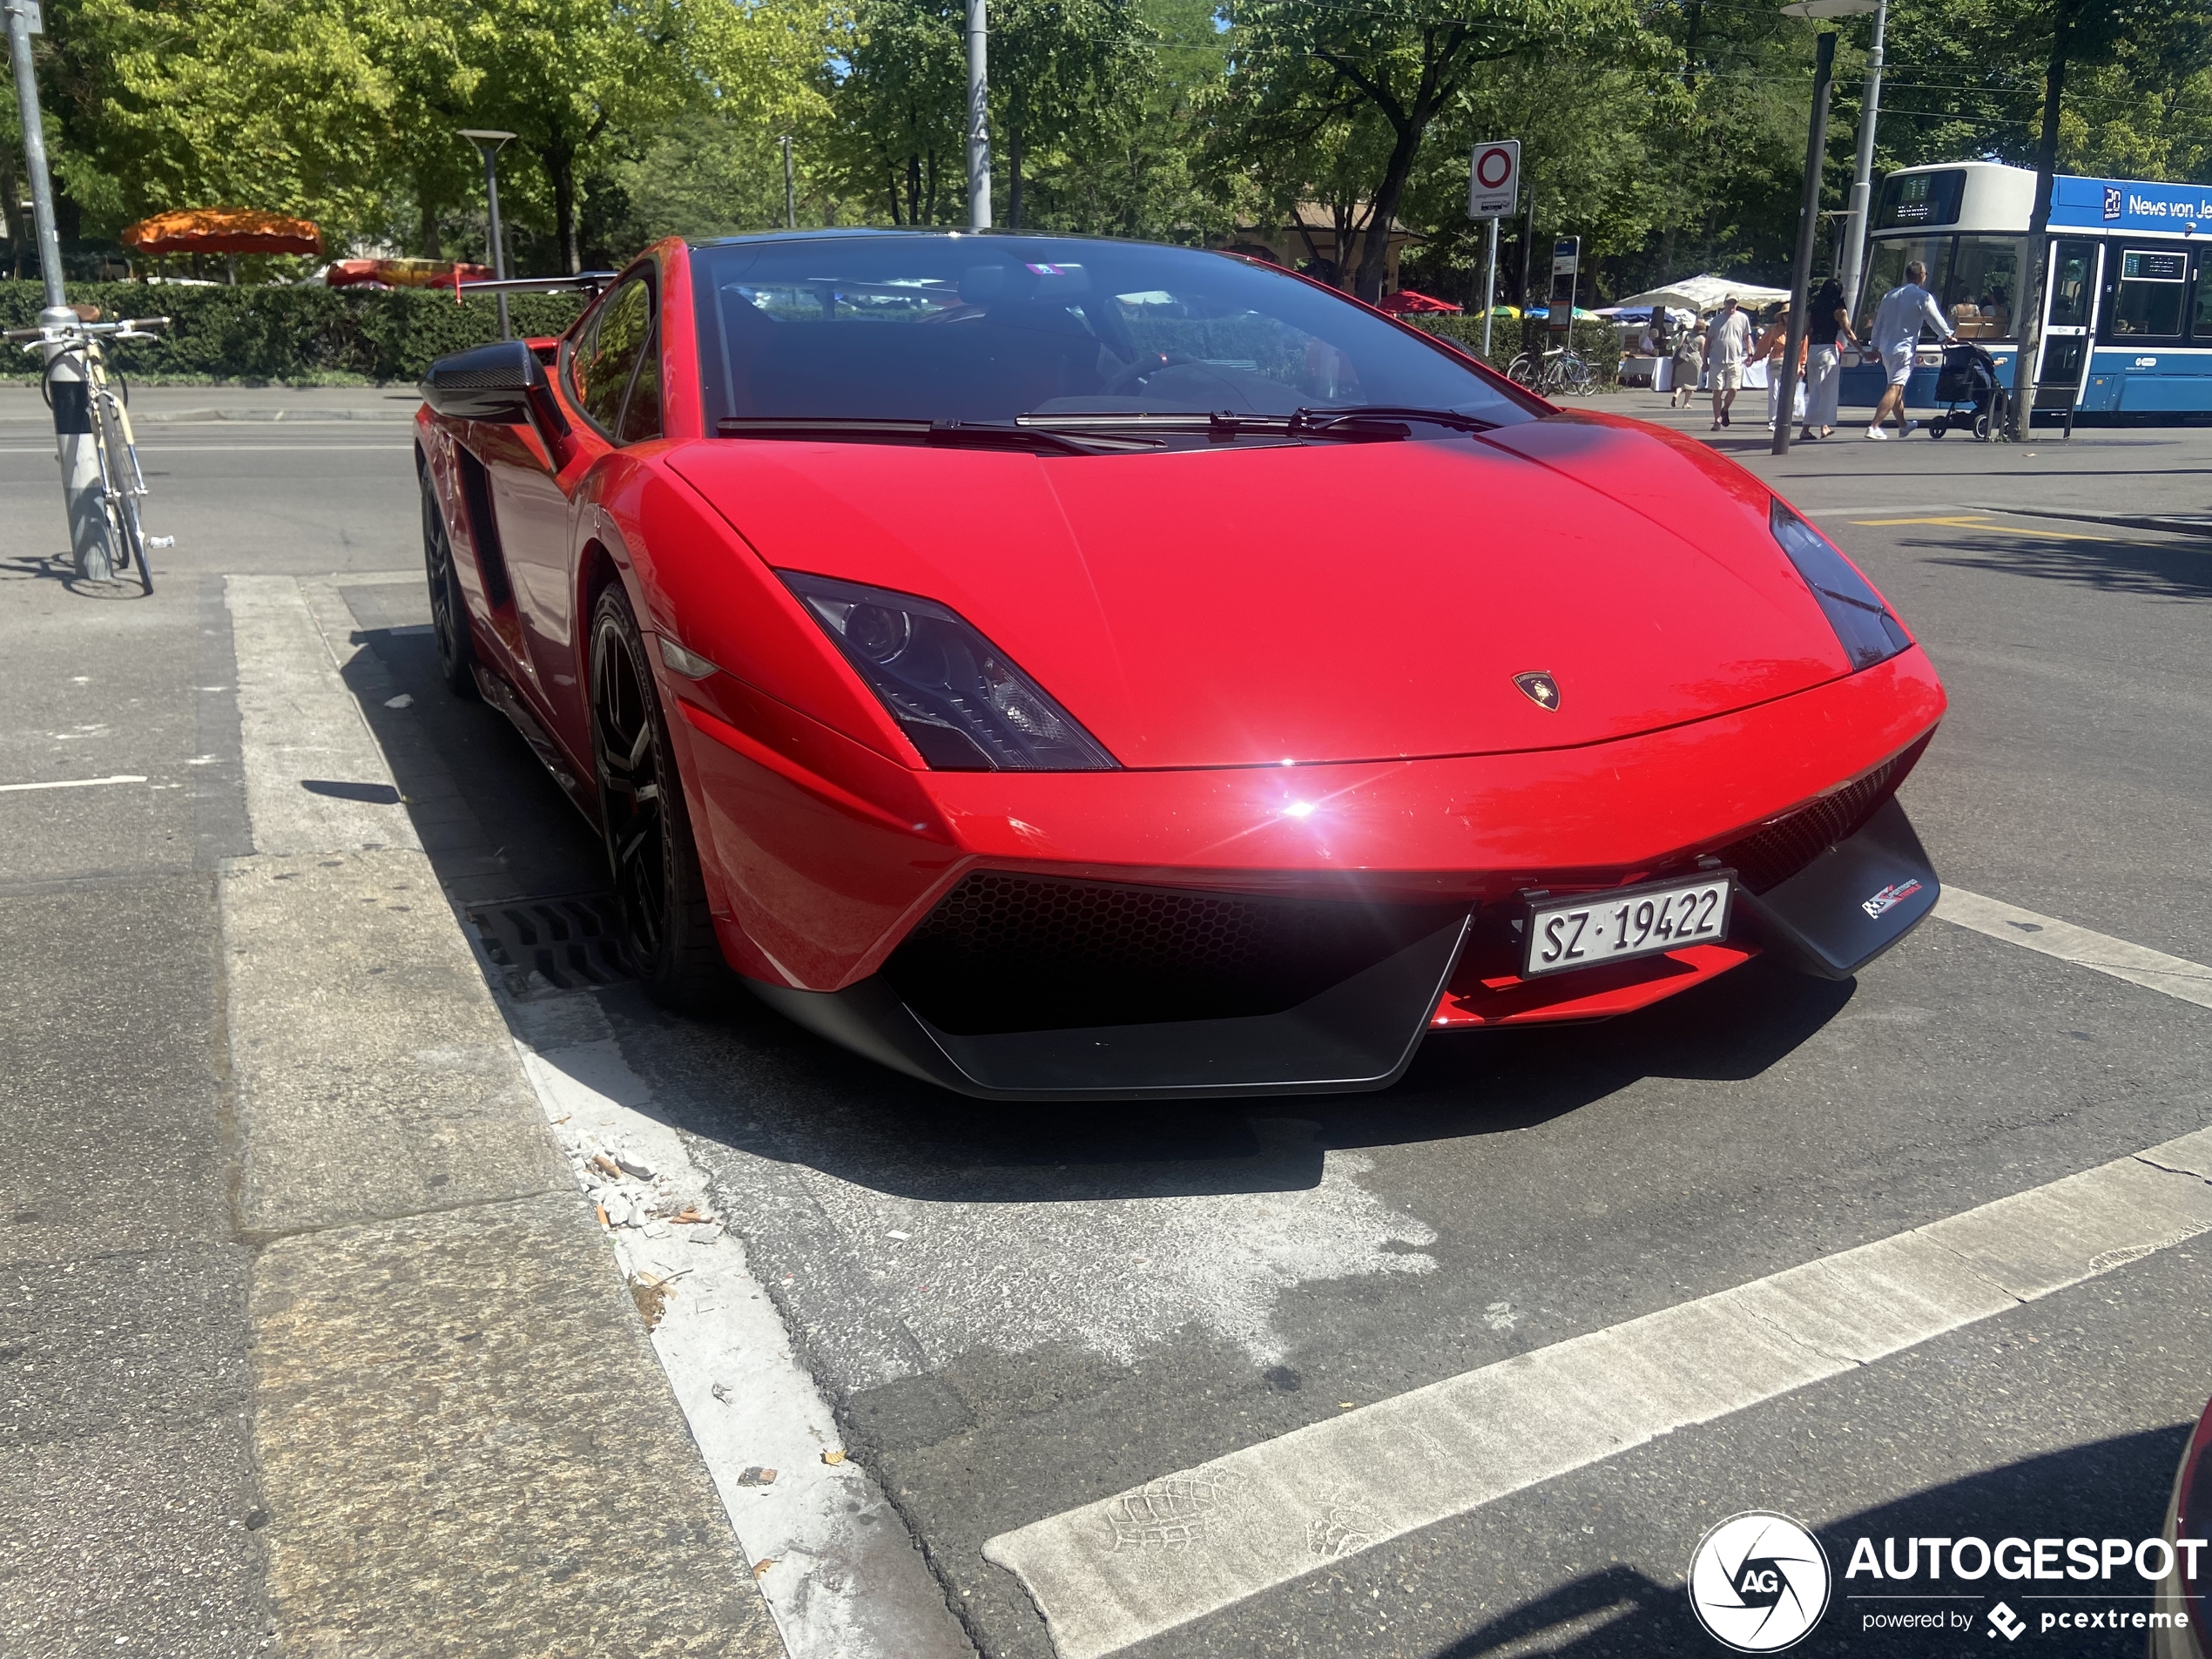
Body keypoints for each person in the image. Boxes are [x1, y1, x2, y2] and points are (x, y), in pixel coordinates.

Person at [1866, 260, 1954, 439]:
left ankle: (1903, 425)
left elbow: (1879, 322)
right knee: (1894, 387)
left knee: (1897, 387)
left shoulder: (1890, 295)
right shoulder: (1922, 297)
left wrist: (1874, 345)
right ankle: (1874, 426)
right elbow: (1934, 318)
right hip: (1904, 349)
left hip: (1886, 348)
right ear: (1921, 276)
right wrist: (1947, 335)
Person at [1804, 276, 1857, 440]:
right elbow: (1847, 331)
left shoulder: (1814, 307)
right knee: (1824, 392)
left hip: (1813, 350)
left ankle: (1823, 426)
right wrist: (1861, 350)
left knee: (1816, 389)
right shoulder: (1839, 309)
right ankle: (1805, 429)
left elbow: (1805, 330)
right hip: (1828, 350)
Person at [1753, 302, 1806, 432]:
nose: (1788, 317)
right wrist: (1754, 358)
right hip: (1776, 363)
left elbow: (1803, 349)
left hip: (1792, 364)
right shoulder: (1775, 330)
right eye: (1785, 315)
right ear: (1782, 317)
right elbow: (1764, 346)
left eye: (1790, 315)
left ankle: (1785, 419)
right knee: (1774, 393)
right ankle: (1773, 420)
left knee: (1789, 393)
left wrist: (1802, 365)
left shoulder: (1799, 330)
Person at [1704, 295, 1752, 429]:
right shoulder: (1716, 320)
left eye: (1734, 303)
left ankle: (1725, 409)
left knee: (1733, 389)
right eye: (1729, 303)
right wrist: (1704, 361)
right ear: (1724, 303)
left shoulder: (1742, 318)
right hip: (1717, 360)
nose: (1732, 305)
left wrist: (1750, 353)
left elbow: (1747, 337)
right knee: (1717, 391)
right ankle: (1717, 420)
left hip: (1735, 359)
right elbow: (1708, 341)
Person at [1670, 317, 1705, 408]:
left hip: (1683, 359)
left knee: (1681, 381)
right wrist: (1703, 361)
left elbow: (1679, 346)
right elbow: (1702, 352)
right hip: (1694, 360)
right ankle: (1686, 403)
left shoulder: (1686, 335)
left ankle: (1676, 395)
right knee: (1691, 383)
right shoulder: (1702, 339)